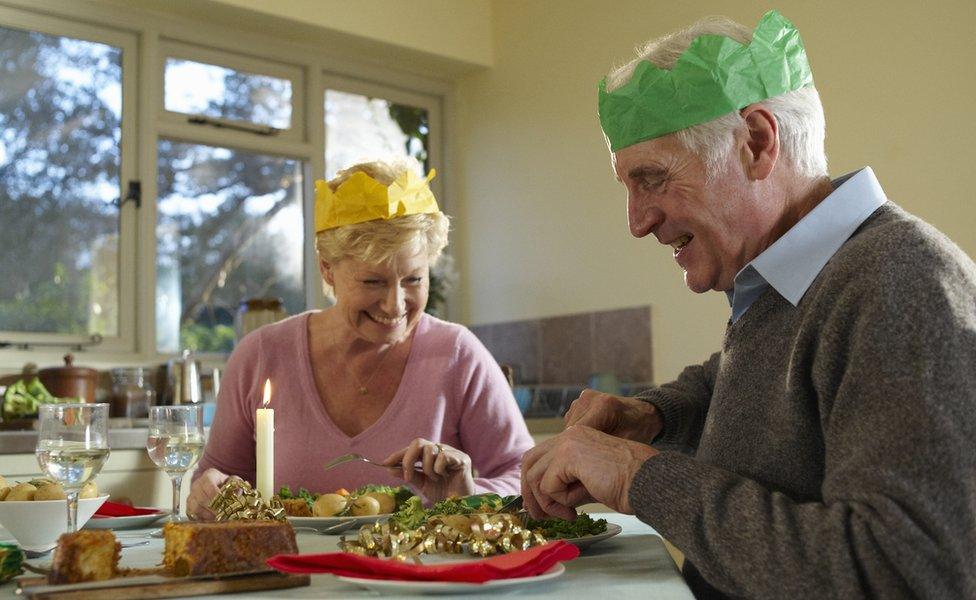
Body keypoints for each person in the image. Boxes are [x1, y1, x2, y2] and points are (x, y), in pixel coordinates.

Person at [521, 10, 976, 599]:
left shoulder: (901, 284)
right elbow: (751, 384)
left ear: (757, 143)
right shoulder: (797, 284)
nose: (637, 222)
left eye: (653, 179)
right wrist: (654, 416)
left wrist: (637, 475)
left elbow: (905, 571)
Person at [188, 158, 533, 520]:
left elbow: (525, 477)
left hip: (420, 572)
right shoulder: (260, 355)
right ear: (327, 269)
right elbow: (215, 484)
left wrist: (469, 493)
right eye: (373, 282)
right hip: (291, 572)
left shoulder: (458, 354)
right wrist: (206, 492)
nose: (396, 304)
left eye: (414, 279)